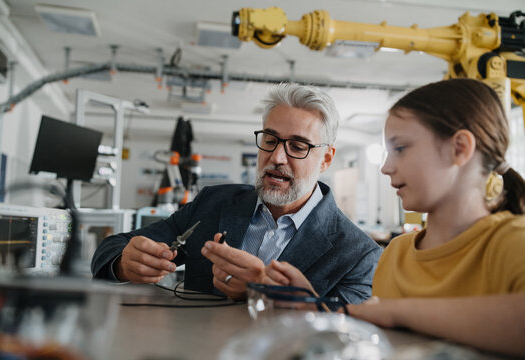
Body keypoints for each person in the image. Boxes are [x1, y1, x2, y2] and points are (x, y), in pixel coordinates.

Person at [264, 79, 525, 357]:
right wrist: (316, 307)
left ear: (459, 148)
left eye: (400, 148)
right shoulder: (396, 253)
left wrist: (393, 312)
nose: (387, 167)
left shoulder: (512, 243)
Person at [91, 83, 382, 305]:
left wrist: (265, 293)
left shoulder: (357, 254)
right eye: (270, 140)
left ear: (326, 159)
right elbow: (113, 248)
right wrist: (124, 263)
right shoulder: (213, 204)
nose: (278, 157)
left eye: (298, 146)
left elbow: (347, 332)